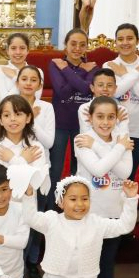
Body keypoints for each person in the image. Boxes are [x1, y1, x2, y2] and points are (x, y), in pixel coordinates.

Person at [21, 175, 139, 278]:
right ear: (61, 202)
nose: (79, 204)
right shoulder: (52, 220)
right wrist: (29, 194)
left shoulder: (97, 224)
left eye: (85, 199)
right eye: (73, 199)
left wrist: (131, 198)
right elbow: (30, 217)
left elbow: (125, 226)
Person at [73, 96, 134, 278]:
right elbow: (98, 170)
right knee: (85, 270)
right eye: (100, 116)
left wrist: (106, 147)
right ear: (90, 117)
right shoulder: (82, 140)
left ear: (117, 117)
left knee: (106, 271)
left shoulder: (118, 139)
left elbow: (125, 171)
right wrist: (118, 148)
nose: (106, 122)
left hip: (112, 217)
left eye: (111, 117)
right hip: (86, 216)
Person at [0, 94, 51, 278]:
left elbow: (35, 181)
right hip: (1, 209)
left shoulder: (36, 146)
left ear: (28, 118)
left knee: (19, 257)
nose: (12, 119)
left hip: (26, 209)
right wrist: (23, 161)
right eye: (6, 115)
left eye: (18, 114)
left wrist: (12, 160)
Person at [47, 29, 97, 215]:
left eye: (82, 44)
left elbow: (86, 89)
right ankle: (51, 209)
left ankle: (76, 207)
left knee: (80, 168)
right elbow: (63, 92)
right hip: (59, 123)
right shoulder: (54, 64)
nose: (77, 48)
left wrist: (67, 70)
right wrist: (80, 73)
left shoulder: (92, 66)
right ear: (65, 45)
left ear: (86, 47)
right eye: (73, 44)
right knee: (56, 168)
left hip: (82, 126)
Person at [104, 23, 139, 178]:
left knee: (130, 176)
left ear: (137, 41)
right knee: (112, 174)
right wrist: (137, 74)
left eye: (129, 38)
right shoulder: (109, 65)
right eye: (120, 39)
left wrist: (125, 73)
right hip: (113, 129)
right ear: (115, 42)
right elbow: (115, 92)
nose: (125, 42)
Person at [14, 65, 54, 151]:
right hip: (14, 158)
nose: (28, 83)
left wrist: (31, 119)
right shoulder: (9, 106)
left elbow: (49, 143)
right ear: (17, 83)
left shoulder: (47, 107)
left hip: (40, 159)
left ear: (40, 86)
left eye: (33, 80)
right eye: (24, 79)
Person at [0, 33, 42, 100]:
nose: (18, 52)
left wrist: (15, 77)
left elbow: (34, 99)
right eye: (13, 48)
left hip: (29, 110)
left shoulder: (38, 71)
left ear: (28, 50)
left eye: (22, 48)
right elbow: (4, 100)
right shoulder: (0, 71)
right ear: (7, 51)